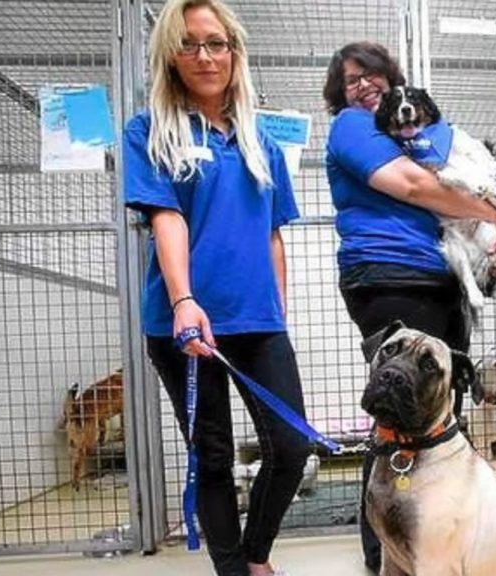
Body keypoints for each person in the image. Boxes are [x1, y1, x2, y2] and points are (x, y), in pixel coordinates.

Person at [122, 1, 308, 575]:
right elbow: (167, 218)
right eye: (189, 44)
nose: (205, 56)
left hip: (257, 322)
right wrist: (184, 301)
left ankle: (254, 556)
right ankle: (234, 570)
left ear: (234, 52)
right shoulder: (149, 131)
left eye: (216, 43)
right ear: (170, 56)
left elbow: (272, 234)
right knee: (214, 454)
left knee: (292, 446)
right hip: (184, 324)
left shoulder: (261, 142)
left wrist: (277, 311)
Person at [322, 41, 496, 574]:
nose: (363, 85)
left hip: (438, 277)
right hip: (391, 274)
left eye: (372, 76)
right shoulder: (353, 126)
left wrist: (491, 242)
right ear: (340, 93)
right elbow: (413, 186)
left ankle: (443, 532)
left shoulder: (415, 136)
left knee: (439, 411)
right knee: (398, 410)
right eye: (351, 80)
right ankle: (386, 549)